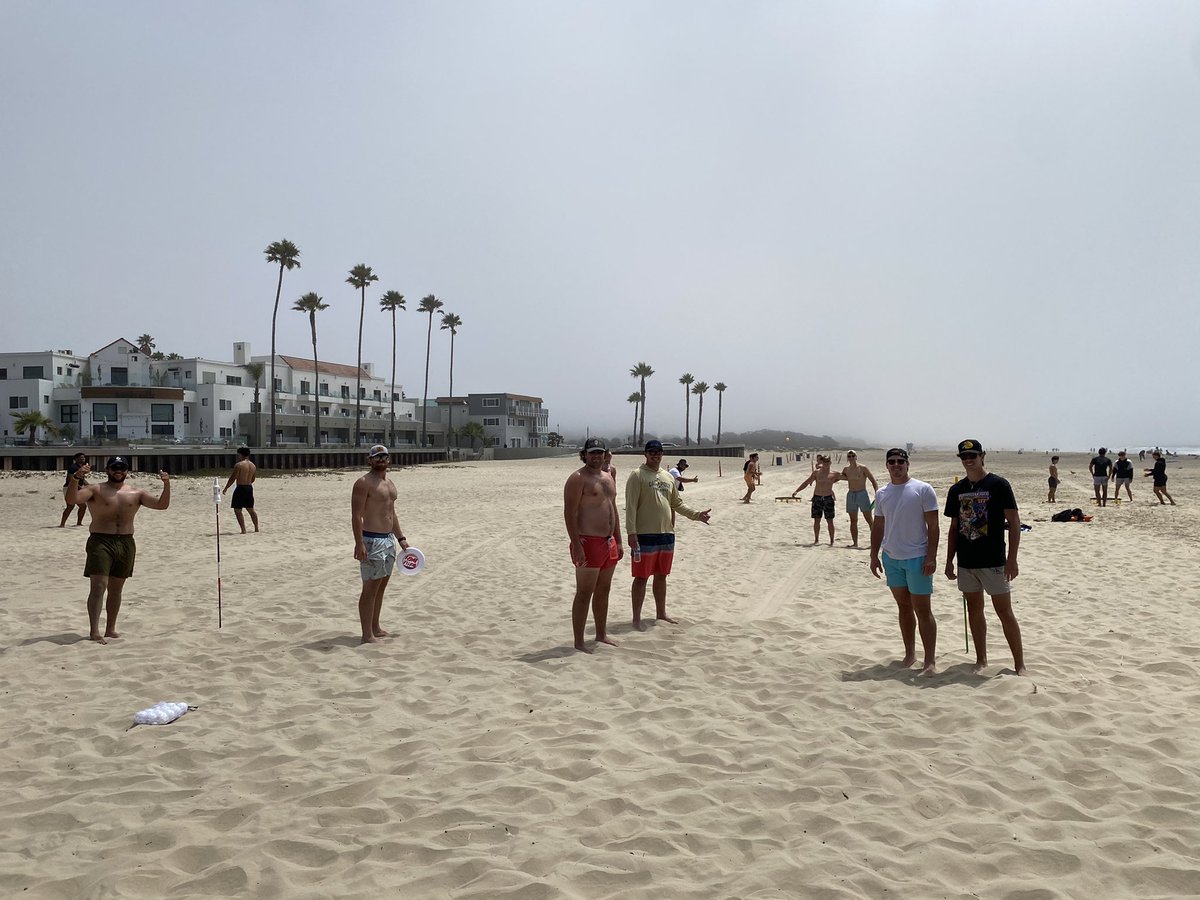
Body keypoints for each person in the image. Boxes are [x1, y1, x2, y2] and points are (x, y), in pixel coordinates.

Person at [65, 456, 171, 644]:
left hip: (126, 542)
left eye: (122, 467)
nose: (118, 471)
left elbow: (162, 505)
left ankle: (110, 629)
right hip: (100, 541)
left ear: (127, 471)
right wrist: (75, 479)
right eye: (114, 467)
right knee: (98, 586)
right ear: (107, 470)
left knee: (116, 588)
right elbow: (72, 499)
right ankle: (94, 631)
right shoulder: (95, 489)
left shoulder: (136, 492)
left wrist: (166, 484)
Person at [944, 440, 1026, 676]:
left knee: (1004, 612)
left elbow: (1014, 522)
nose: (968, 460)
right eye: (964, 456)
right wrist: (949, 560)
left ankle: (1019, 664)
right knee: (974, 610)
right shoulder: (957, 490)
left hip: (993, 561)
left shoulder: (998, 484)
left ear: (982, 456)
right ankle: (981, 659)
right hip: (966, 561)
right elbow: (954, 528)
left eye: (973, 455)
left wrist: (1012, 559)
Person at [625, 439, 712, 630]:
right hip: (644, 535)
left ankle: (661, 613)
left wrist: (697, 515)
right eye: (652, 452)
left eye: (659, 452)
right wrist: (631, 533)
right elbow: (630, 507)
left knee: (661, 575)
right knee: (641, 578)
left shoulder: (668, 477)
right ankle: (636, 618)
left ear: (662, 454)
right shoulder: (637, 475)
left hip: (666, 534)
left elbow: (677, 503)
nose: (655, 455)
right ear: (645, 454)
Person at [869, 448, 940, 675]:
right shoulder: (882, 493)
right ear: (887, 465)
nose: (896, 465)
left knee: (923, 609)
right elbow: (878, 525)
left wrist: (931, 556)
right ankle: (910, 653)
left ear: (907, 464)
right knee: (903, 607)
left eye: (901, 461)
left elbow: (934, 526)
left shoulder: (922, 489)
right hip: (891, 558)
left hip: (917, 558)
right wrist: (873, 554)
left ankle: (929, 660)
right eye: (892, 462)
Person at [564, 438, 623, 652]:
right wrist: (576, 544)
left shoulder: (608, 477)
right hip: (588, 541)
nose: (596, 457)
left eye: (599, 452)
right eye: (592, 453)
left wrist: (619, 539)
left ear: (605, 454)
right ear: (584, 455)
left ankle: (601, 634)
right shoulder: (578, 479)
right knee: (584, 592)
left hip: (609, 542)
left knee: (604, 590)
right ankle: (579, 642)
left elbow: (613, 509)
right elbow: (570, 513)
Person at [351, 445, 412, 645]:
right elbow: (356, 516)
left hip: (388, 540)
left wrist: (401, 538)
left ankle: (375, 626)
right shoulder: (363, 483)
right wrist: (359, 543)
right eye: (376, 457)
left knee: (381, 586)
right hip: (371, 539)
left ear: (389, 459)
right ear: (369, 460)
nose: (380, 460)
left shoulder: (390, 483)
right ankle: (366, 634)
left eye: (383, 457)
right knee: (370, 588)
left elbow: (391, 513)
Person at [791, 454, 843, 545]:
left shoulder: (835, 473)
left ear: (830, 462)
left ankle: (831, 541)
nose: (826, 463)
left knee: (830, 520)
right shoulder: (816, 472)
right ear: (822, 462)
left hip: (828, 498)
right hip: (817, 497)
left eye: (827, 461)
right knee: (817, 520)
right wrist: (796, 491)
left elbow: (849, 477)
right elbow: (807, 482)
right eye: (824, 461)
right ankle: (816, 540)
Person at [839, 450, 878, 548]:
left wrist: (877, 492)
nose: (851, 458)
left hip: (862, 494)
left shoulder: (863, 468)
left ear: (856, 457)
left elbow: (873, 480)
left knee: (869, 518)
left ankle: (876, 542)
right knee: (853, 520)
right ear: (847, 458)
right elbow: (837, 477)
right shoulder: (846, 469)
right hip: (851, 495)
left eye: (853, 456)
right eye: (849, 456)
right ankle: (855, 543)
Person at [222, 446, 259, 533]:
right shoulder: (253, 465)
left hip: (241, 488)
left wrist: (226, 488)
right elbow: (253, 479)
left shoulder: (239, 465)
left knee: (237, 510)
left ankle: (243, 529)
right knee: (251, 509)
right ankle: (256, 528)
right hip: (249, 488)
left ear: (240, 455)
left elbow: (232, 478)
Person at [60, 452, 89, 527]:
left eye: (84, 457)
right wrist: (80, 488)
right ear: (76, 459)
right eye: (81, 457)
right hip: (69, 488)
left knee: (83, 506)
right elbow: (70, 480)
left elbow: (82, 479)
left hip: (77, 488)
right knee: (70, 506)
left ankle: (79, 523)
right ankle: (62, 524)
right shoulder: (73, 467)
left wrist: (90, 486)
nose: (83, 458)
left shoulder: (82, 467)